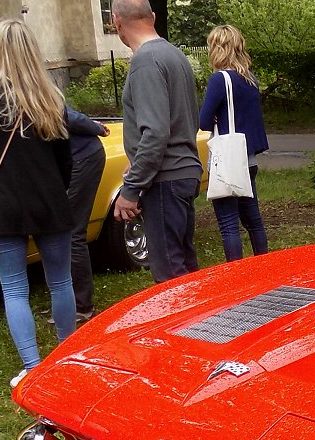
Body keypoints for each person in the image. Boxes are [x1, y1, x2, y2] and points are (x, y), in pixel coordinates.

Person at [0, 20, 75, 387]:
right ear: (32, 48)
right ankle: (66, 355)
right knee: (60, 281)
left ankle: (32, 365)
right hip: (49, 200)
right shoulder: (51, 94)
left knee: (14, 288)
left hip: (2, 203)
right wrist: (55, 189)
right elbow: (65, 159)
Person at [111, 0, 202, 283]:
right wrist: (137, 160)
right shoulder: (172, 54)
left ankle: (187, 327)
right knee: (184, 266)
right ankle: (207, 325)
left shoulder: (145, 61)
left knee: (170, 276)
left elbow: (156, 132)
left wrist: (131, 189)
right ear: (151, 16)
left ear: (117, 22)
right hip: (182, 173)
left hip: (166, 179)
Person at [199, 24, 269, 262]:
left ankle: (235, 275)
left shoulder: (220, 80)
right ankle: (263, 264)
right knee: (253, 220)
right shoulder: (250, 80)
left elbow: (204, 121)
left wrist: (215, 115)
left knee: (228, 224)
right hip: (248, 159)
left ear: (217, 48)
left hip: (228, 161)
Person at [64, 108, 110, 322]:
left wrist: (98, 128)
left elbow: (71, 116)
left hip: (83, 157)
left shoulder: (26, 90)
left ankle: (82, 305)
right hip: (68, 159)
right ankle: (67, 300)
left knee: (72, 231)